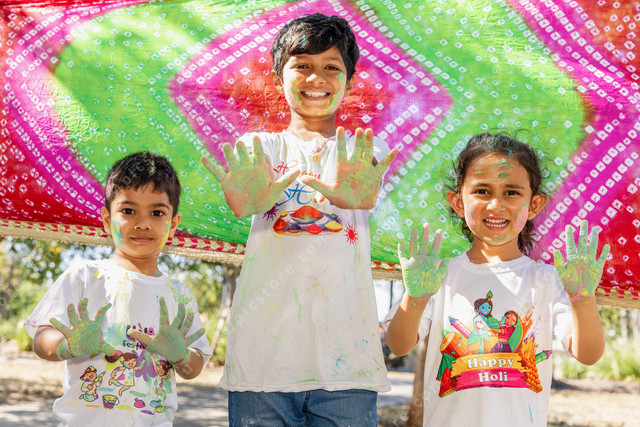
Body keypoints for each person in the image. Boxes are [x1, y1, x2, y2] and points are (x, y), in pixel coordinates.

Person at [201, 13, 397, 425]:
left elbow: (367, 192)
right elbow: (246, 199)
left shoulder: (361, 152)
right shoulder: (259, 148)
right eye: (302, 65)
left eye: (331, 67)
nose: (316, 78)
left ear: (349, 82)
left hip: (348, 366)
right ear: (278, 79)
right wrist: (249, 199)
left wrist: (361, 194)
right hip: (262, 364)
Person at [384, 133, 609, 426]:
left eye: (511, 192)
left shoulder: (548, 280)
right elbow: (398, 345)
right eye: (482, 191)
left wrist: (582, 300)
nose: (495, 205)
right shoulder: (436, 275)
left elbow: (588, 355)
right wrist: (415, 298)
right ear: (458, 202)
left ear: (535, 204)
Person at [25, 152, 212, 426]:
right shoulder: (84, 277)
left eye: (157, 213)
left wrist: (181, 356)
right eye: (128, 211)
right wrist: (66, 346)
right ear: (106, 219)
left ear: (173, 224)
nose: (142, 223)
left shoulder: (179, 294)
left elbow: (194, 367)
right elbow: (41, 339)